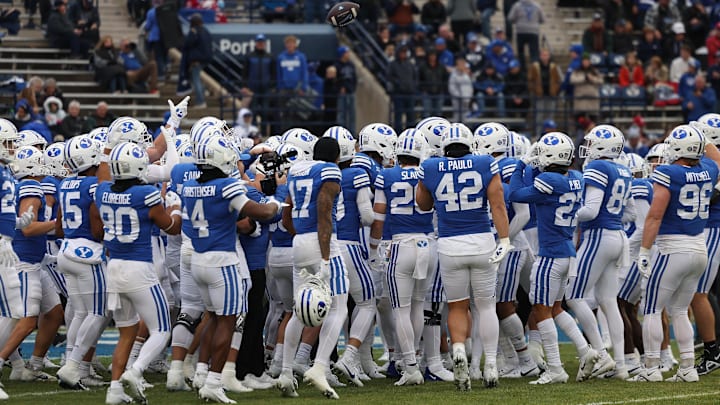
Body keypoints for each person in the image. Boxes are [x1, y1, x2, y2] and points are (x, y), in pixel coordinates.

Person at [182, 135, 280, 402]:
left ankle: (202, 372)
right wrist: (275, 203)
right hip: (222, 261)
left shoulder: (189, 185)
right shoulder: (226, 186)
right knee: (229, 320)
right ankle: (215, 381)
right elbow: (259, 212)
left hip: (199, 260)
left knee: (211, 318)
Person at [416, 123, 510, 390]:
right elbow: (498, 203)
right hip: (482, 241)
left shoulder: (431, 166)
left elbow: (423, 205)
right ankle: (490, 364)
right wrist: (504, 239)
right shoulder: (484, 162)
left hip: (449, 245)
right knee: (486, 306)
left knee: (457, 305)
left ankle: (458, 350)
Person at [630, 125, 719, 383]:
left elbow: (655, 215)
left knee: (651, 309)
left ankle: (651, 368)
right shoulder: (708, 170)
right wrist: (698, 133)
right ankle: (688, 368)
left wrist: (645, 249)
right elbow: (715, 157)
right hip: (699, 248)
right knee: (680, 310)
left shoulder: (668, 173)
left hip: (673, 248)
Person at [508, 132, 597, 385]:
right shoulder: (577, 178)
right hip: (568, 252)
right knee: (557, 308)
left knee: (541, 310)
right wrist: (537, 169)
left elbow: (516, 194)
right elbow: (542, 191)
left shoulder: (549, 180)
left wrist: (522, 164)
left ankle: (556, 368)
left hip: (550, 255)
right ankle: (586, 351)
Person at [277, 137, 350, 400]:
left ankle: (286, 372)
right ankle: (319, 367)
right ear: (337, 158)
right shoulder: (329, 171)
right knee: (338, 306)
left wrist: (302, 237)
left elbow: (286, 214)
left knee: (299, 309)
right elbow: (324, 209)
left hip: (299, 242)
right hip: (322, 243)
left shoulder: (296, 170)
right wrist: (326, 255)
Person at [568, 124, 632, 380]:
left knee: (572, 295)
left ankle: (600, 354)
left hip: (598, 236)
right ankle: (621, 365)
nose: (588, 148)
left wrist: (569, 214)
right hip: (617, 236)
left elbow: (591, 210)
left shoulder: (597, 167)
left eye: (592, 143)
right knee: (608, 301)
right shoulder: (624, 169)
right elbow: (631, 214)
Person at [54, 135, 108, 390]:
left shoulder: (65, 183)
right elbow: (98, 228)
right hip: (88, 254)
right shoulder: (93, 185)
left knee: (80, 313)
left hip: (66, 251)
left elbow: (59, 225)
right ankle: (75, 366)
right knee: (97, 313)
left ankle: (72, 362)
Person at [178, 14, 212, 109]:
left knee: (196, 79)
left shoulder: (194, 31)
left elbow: (187, 44)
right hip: (205, 59)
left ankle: (201, 101)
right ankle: (204, 91)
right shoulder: (205, 30)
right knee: (196, 79)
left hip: (197, 60)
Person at [528, 48, 562, 133]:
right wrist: (535, 90)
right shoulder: (535, 66)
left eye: (546, 55)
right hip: (540, 94)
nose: (545, 57)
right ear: (540, 56)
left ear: (549, 56)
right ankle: (538, 133)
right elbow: (530, 80)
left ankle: (550, 133)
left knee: (550, 115)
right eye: (543, 55)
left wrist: (555, 89)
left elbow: (558, 79)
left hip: (551, 94)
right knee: (539, 115)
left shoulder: (553, 66)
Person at [244, 34, 275, 123]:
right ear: (256, 43)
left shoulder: (270, 56)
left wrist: (272, 86)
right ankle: (254, 133)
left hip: (266, 88)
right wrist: (244, 86)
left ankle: (264, 133)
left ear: (265, 43)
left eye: (262, 42)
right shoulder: (250, 56)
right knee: (253, 111)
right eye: (259, 42)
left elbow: (273, 73)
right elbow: (245, 72)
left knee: (265, 112)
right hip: (253, 88)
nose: (260, 44)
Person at [388, 44, 418, 130]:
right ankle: (398, 132)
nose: (404, 54)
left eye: (405, 52)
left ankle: (410, 132)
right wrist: (397, 84)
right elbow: (389, 77)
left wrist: (413, 86)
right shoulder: (393, 64)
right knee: (398, 115)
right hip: (398, 94)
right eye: (402, 52)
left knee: (411, 115)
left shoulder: (410, 64)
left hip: (409, 93)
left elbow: (415, 76)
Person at [507, 0, 544, 67]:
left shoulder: (517, 5)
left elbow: (510, 18)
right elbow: (543, 19)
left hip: (521, 31)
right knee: (534, 53)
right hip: (533, 31)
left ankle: (522, 68)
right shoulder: (537, 6)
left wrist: (518, 21)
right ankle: (535, 68)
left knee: (521, 52)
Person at [570, 53, 603, 119]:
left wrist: (592, 78)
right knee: (580, 122)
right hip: (580, 101)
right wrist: (584, 78)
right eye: (584, 61)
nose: (585, 62)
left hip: (592, 101)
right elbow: (572, 80)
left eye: (587, 61)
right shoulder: (576, 71)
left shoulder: (595, 72)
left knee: (593, 122)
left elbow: (601, 81)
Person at [419, 50, 448, 118]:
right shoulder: (423, 67)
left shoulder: (441, 67)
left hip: (439, 92)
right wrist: (423, 89)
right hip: (427, 93)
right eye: (431, 55)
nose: (433, 57)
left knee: (438, 113)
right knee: (427, 113)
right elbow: (419, 79)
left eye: (434, 55)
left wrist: (442, 89)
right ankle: (426, 127)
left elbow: (445, 78)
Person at [143, 1, 167, 81]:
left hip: (155, 36)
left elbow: (148, 25)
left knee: (158, 56)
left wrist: (146, 29)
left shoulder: (151, 12)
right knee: (164, 55)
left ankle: (161, 74)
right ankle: (165, 69)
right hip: (166, 36)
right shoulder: (166, 10)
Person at [335, 46, 357, 132]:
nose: (348, 54)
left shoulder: (351, 65)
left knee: (352, 114)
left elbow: (354, 78)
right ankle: (341, 132)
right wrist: (340, 87)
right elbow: (336, 80)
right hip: (342, 93)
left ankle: (352, 133)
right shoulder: (337, 65)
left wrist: (353, 88)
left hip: (351, 91)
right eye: (346, 53)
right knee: (341, 114)